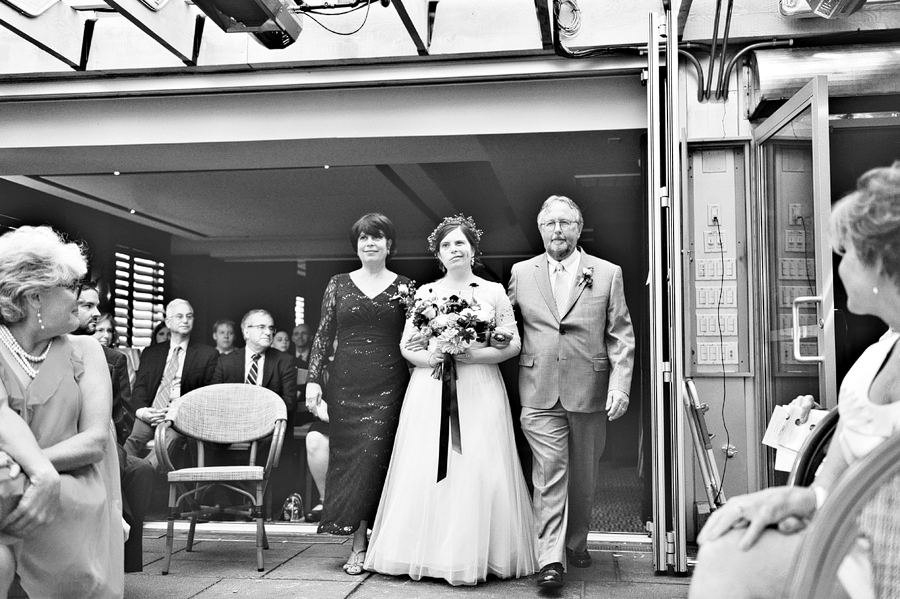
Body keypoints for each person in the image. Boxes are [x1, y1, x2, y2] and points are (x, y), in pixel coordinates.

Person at [689, 163, 900, 599]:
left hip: (882, 563)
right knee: (726, 545)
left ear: (879, 262)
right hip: (845, 538)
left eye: (845, 255)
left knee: (728, 559)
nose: (836, 270)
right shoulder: (881, 350)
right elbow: (832, 477)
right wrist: (797, 499)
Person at [364, 214, 537, 585]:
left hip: (480, 388)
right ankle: (425, 554)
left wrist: (470, 354)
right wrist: (435, 357)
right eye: (445, 245)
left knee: (478, 466)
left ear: (473, 249)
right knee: (429, 466)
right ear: (438, 255)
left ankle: (477, 554)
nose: (453, 249)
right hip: (432, 389)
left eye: (460, 243)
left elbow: (513, 343)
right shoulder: (426, 293)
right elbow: (407, 346)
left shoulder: (491, 292)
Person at [508, 194, 635, 589]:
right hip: (538, 389)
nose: (557, 230)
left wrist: (620, 385)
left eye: (565, 223)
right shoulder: (521, 272)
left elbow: (621, 336)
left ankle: (576, 540)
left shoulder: (607, 272)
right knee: (548, 473)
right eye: (550, 224)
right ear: (540, 229)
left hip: (590, 390)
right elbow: (503, 325)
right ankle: (551, 560)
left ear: (579, 229)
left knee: (583, 476)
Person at [0, 225, 124, 598]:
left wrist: (32, 469)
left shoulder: (86, 351)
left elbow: (95, 442)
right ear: (35, 295)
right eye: (71, 286)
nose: (83, 296)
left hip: (71, 488)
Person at [305, 213, 411, 575]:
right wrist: (314, 380)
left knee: (374, 458)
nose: (370, 243)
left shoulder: (406, 287)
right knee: (350, 460)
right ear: (357, 245)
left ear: (389, 245)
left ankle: (368, 543)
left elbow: (414, 341)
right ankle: (361, 540)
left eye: (377, 237)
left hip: (389, 384)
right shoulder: (337, 284)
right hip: (346, 385)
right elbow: (322, 334)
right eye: (364, 238)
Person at [74, 281, 153, 574]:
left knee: (141, 468)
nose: (96, 313)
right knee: (136, 469)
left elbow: (124, 417)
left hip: (105, 436)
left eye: (97, 305)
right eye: (87, 305)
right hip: (68, 436)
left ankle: (123, 563)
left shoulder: (113, 359)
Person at [123, 298, 218, 469]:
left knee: (171, 438)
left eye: (189, 316)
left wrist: (177, 410)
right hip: (151, 412)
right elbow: (140, 387)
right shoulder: (152, 352)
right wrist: (142, 411)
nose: (185, 320)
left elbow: (206, 394)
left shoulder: (207, 354)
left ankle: (144, 472)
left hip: (179, 416)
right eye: (180, 316)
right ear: (168, 321)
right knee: (133, 439)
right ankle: (121, 474)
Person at [212, 310, 297, 413]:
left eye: (271, 328)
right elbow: (215, 399)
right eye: (261, 327)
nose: (268, 332)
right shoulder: (225, 362)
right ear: (246, 332)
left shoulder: (284, 361)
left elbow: (289, 401)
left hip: (269, 422)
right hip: (233, 421)